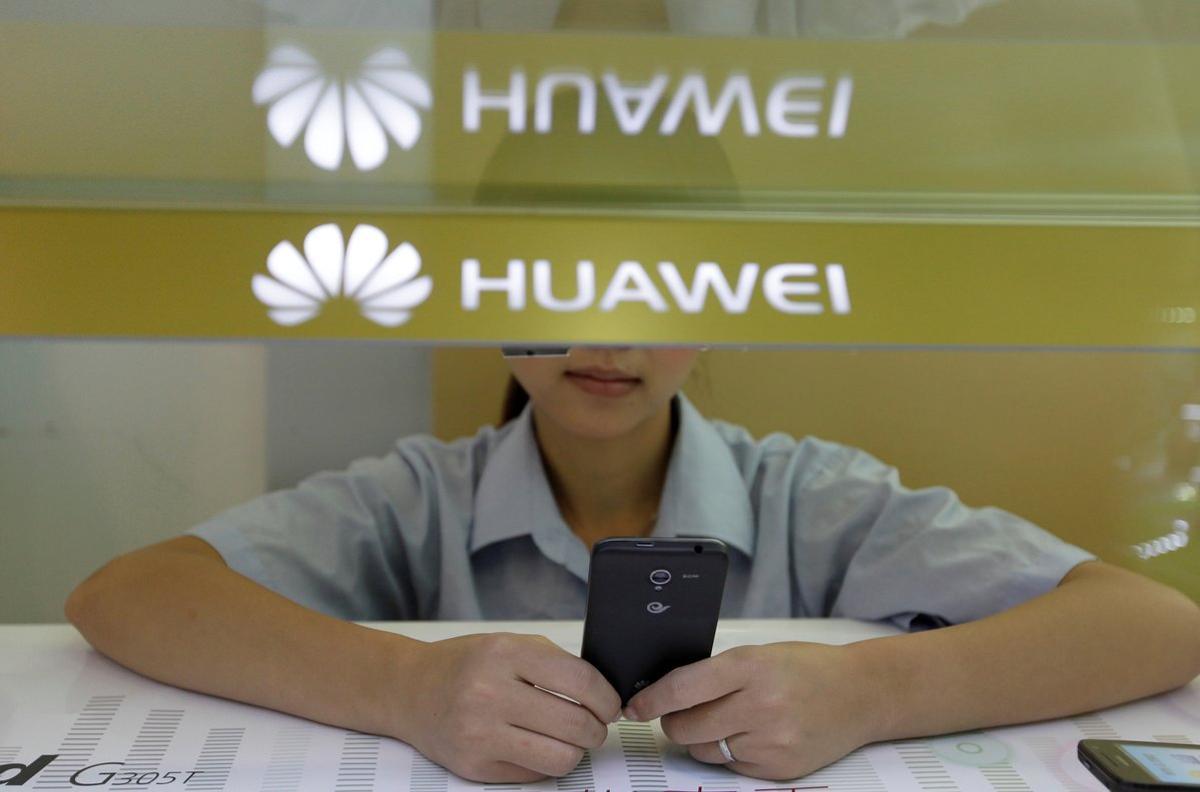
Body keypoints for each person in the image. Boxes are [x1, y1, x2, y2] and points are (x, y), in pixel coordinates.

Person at [66, 347, 1200, 783]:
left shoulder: (810, 490)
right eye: (553, 282)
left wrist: (874, 689)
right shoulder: (417, 492)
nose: (603, 334)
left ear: (718, 311)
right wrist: (399, 686)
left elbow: (1154, 622)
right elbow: (125, 594)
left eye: (653, 286)